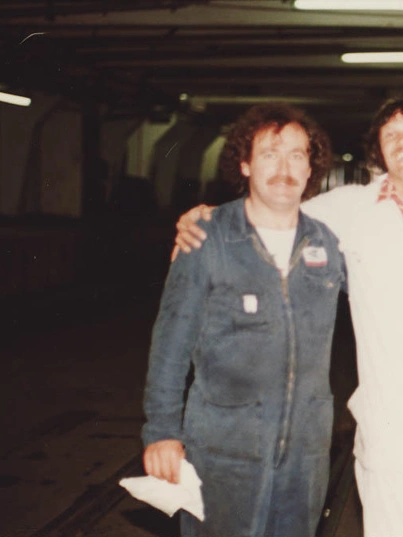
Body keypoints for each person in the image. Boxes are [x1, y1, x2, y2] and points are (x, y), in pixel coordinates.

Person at [175, 96, 403, 537]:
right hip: (389, 415)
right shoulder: (349, 208)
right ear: (378, 151)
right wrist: (204, 220)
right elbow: (269, 216)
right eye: (391, 134)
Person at [141, 102, 345, 537]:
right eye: (270, 153)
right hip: (223, 454)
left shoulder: (326, 243)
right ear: (246, 163)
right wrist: (161, 431)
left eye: (297, 155)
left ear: (312, 169)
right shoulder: (209, 238)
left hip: (305, 457)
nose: (284, 167)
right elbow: (170, 345)